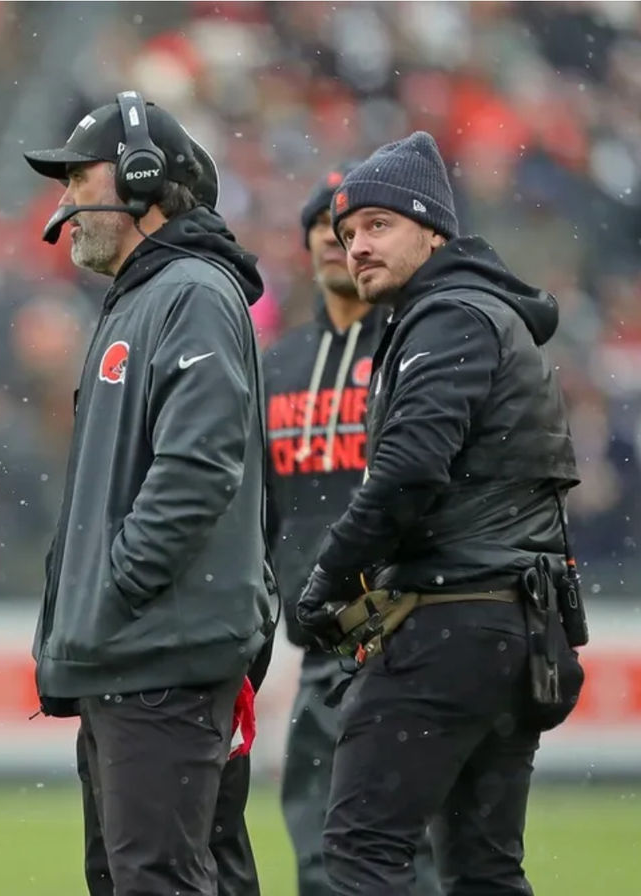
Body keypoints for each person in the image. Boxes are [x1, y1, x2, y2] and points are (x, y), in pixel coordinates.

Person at [295, 131, 580, 895]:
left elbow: (409, 469)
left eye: (378, 226)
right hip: (521, 628)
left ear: (433, 232)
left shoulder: (446, 317)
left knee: (360, 852)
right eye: (347, 232)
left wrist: (328, 576)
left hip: (452, 620)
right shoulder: (485, 314)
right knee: (485, 869)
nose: (356, 246)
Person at [24, 91, 274, 896]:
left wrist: (122, 584)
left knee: (154, 881)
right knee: (155, 877)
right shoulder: (150, 293)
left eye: (77, 180)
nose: (64, 204)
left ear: (141, 178)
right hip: (140, 653)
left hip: (157, 655)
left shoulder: (191, 291)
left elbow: (200, 464)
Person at [265, 166, 441, 896]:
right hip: (318, 636)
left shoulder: (411, 349)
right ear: (309, 246)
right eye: (328, 230)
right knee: (316, 837)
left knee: (406, 840)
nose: (342, 246)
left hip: (405, 628)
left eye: (359, 231)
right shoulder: (274, 366)